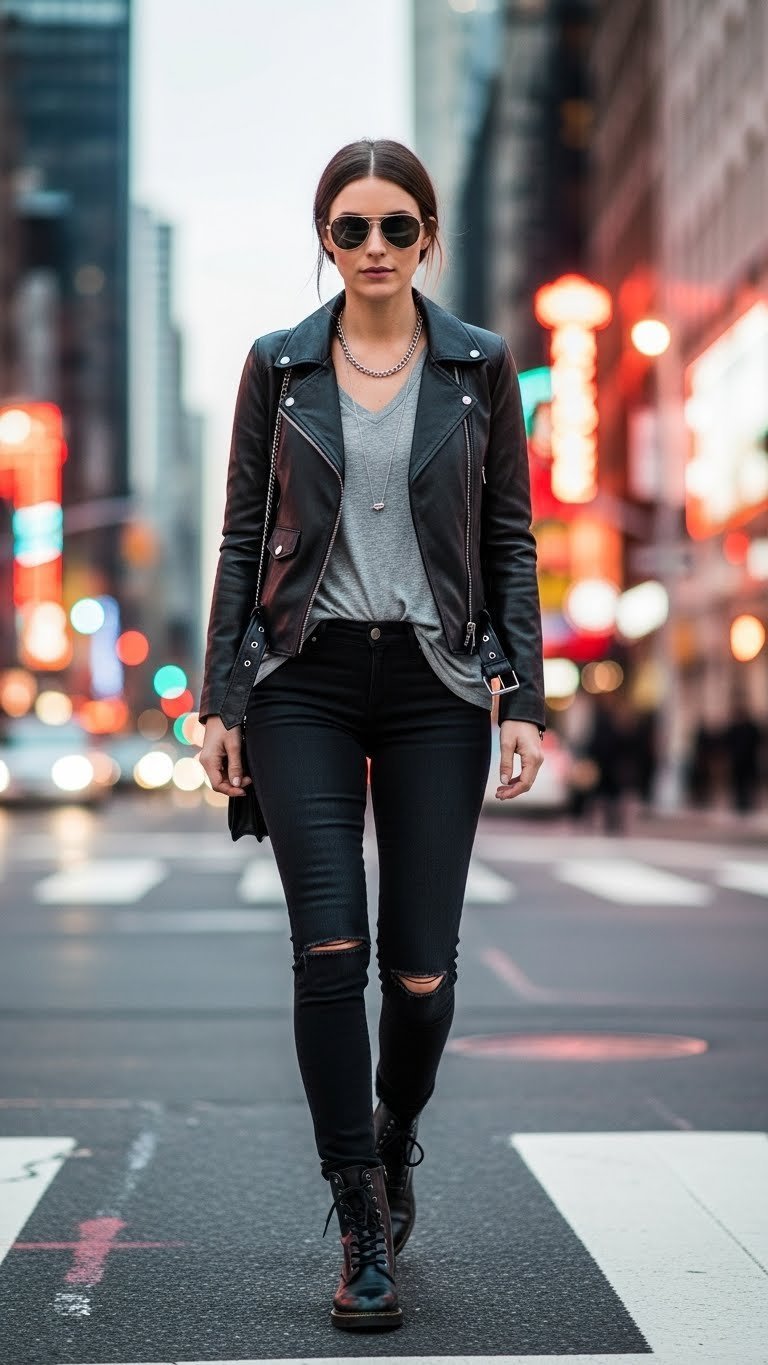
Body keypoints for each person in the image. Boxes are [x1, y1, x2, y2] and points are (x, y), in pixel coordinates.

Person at [198, 138, 545, 1333]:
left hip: (439, 682)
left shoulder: (479, 367)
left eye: (399, 226)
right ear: (326, 241)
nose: (378, 248)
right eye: (353, 229)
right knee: (328, 953)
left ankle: (396, 1134)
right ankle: (359, 1220)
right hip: (305, 674)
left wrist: (527, 698)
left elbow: (510, 540)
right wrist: (218, 700)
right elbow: (244, 538)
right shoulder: (280, 366)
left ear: (430, 237)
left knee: (423, 970)